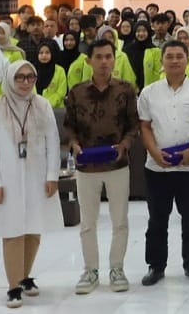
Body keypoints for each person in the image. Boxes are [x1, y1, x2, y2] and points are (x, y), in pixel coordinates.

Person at [0, 61, 63, 308]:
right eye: (20, 78)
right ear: (9, 79)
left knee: (33, 229)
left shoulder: (43, 105)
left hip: (37, 176)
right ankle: (13, 286)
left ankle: (26, 276)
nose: (26, 82)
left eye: (30, 77)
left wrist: (52, 175)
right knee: (12, 230)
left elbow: (53, 142)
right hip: (8, 179)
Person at [64, 39, 138, 295]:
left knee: (120, 221)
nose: (104, 61)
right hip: (87, 166)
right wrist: (73, 144)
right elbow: (69, 126)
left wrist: (125, 143)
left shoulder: (126, 90)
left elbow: (133, 124)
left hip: (117, 163)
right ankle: (90, 270)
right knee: (88, 222)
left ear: (114, 59)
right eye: (99, 57)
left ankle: (116, 268)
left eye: (109, 56)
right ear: (89, 61)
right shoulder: (77, 91)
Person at [137, 40, 189, 286]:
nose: (174, 60)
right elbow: (145, 127)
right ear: (162, 61)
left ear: (187, 60)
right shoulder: (149, 92)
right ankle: (156, 266)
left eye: (179, 56)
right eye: (169, 56)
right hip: (157, 167)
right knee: (157, 219)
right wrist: (154, 152)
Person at [31, 42, 68, 108]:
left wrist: (47, 105)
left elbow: (61, 92)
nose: (44, 55)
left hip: (56, 109)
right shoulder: (32, 71)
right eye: (41, 53)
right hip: (35, 108)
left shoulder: (60, 70)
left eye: (47, 53)